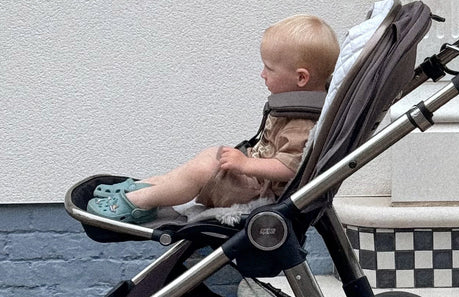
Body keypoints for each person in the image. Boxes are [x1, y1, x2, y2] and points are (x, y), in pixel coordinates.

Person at [86, 14, 340, 224]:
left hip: (262, 196)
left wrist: (245, 165)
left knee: (204, 170)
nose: (262, 74)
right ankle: (143, 187)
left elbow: (290, 167)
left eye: (269, 68)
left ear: (301, 78)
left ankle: (138, 203)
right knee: (212, 156)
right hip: (256, 182)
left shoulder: (302, 124)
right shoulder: (295, 108)